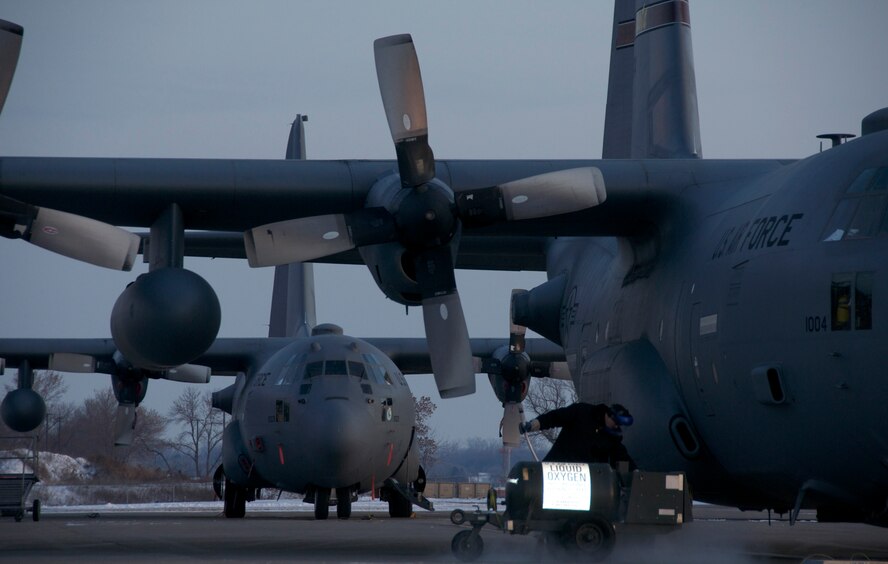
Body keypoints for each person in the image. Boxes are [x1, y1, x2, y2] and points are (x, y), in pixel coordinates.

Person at [520, 402, 636, 470]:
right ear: (610, 416)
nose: (617, 427)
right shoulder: (582, 412)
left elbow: (621, 456)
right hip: (555, 469)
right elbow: (556, 417)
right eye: (616, 424)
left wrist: (636, 472)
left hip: (585, 482)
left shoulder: (612, 440)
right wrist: (535, 424)